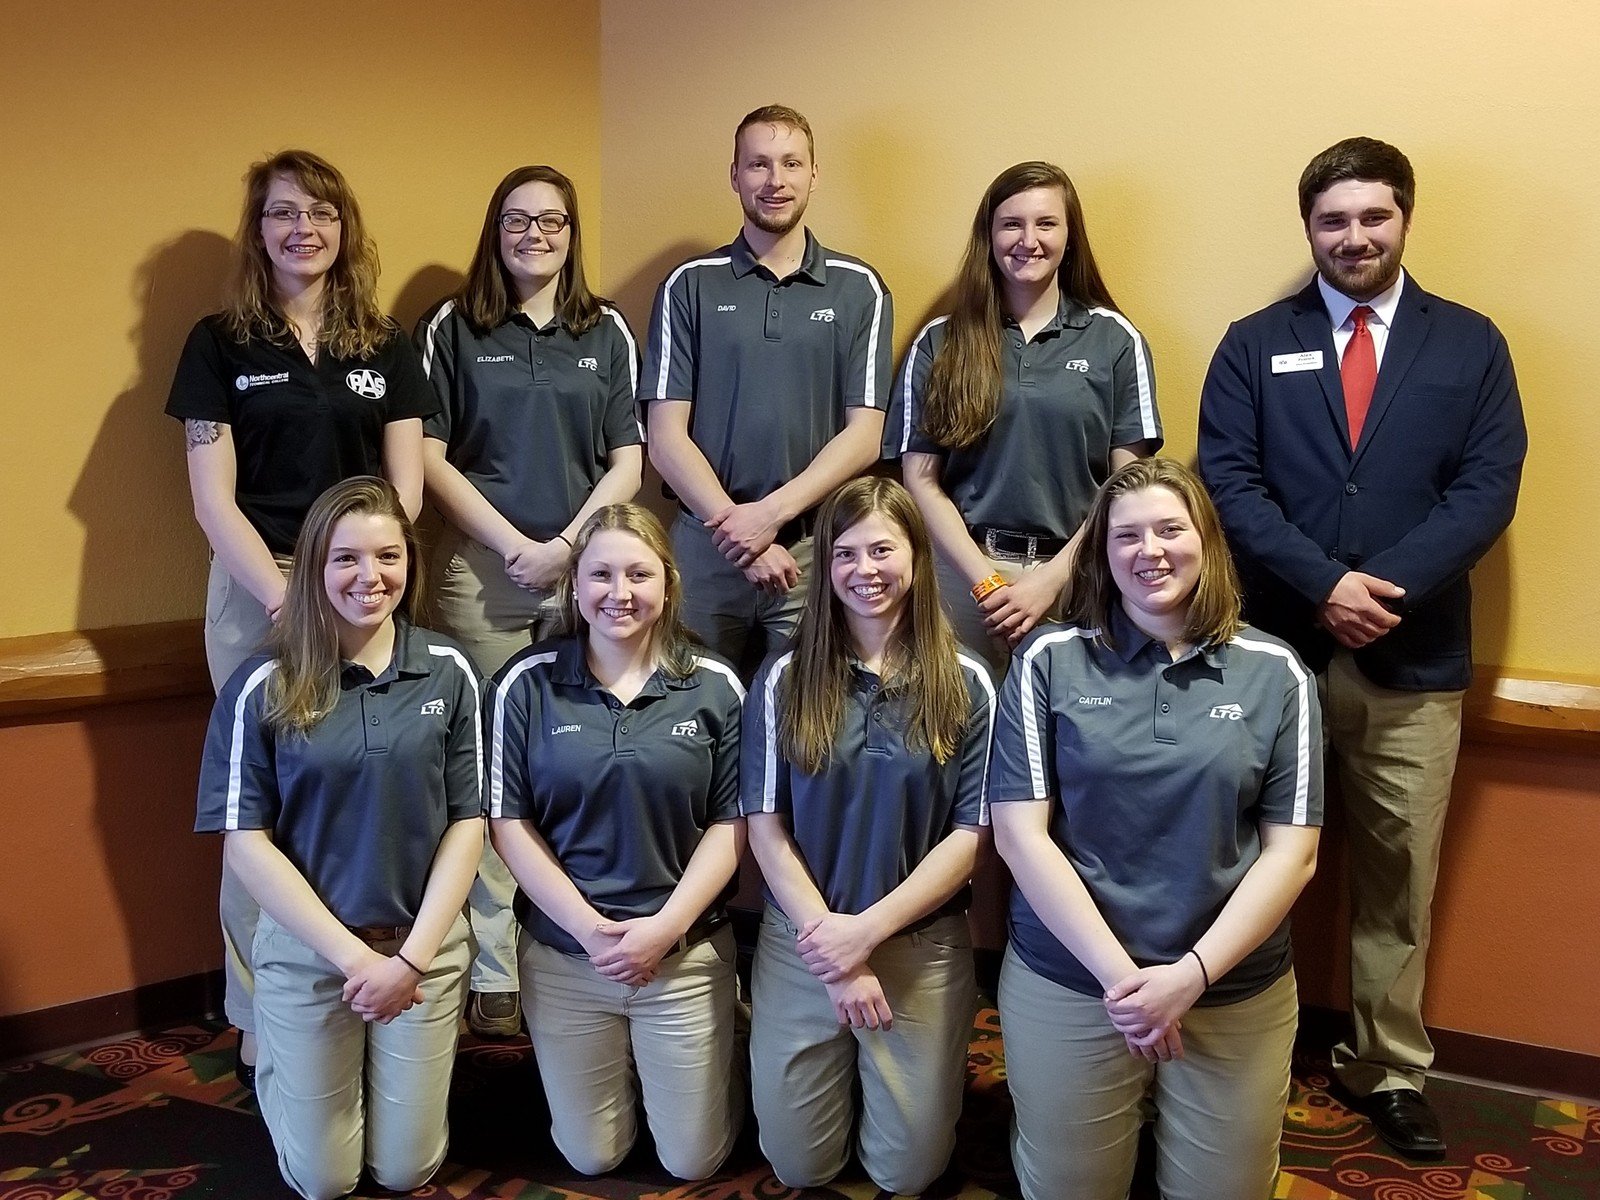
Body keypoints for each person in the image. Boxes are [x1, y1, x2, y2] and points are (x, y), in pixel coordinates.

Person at [1197, 136, 1526, 1159]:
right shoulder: (1254, 343)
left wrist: (1380, 588)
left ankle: (1385, 1068)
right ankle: (1243, 1039)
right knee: (1250, 865)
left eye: (1372, 216)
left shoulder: (1469, 344)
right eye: (1333, 220)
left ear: (1404, 220)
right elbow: (1229, 480)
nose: (1353, 236)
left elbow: (1487, 487)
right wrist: (1320, 583)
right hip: (1270, 660)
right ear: (1308, 229)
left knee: (1397, 879)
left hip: (1412, 658)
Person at [166, 149, 436, 1085]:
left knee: (370, 794)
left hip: (368, 584)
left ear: (344, 229)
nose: (303, 230)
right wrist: (289, 597)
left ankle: (379, 983)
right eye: (284, 214)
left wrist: (364, 577)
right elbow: (212, 499)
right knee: (261, 810)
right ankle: (258, 1005)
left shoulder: (385, 341)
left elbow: (406, 484)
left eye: (321, 213)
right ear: (260, 230)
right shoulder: (219, 343)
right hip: (261, 591)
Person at [988, 458, 1323, 1200]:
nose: (1151, 551)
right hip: (1075, 978)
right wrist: (1125, 986)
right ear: (1102, 556)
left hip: (1231, 985)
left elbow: (1292, 858)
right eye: (1126, 536)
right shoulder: (1049, 661)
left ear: (1206, 538)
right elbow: (1020, 838)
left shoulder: (1277, 672)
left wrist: (1189, 978)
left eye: (1171, 529)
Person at [193, 477, 482, 1200]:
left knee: (404, 1169)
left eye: (387, 556)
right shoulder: (263, 681)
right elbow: (247, 844)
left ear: (410, 563)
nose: (369, 577)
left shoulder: (450, 670)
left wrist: (410, 959)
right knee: (324, 1181)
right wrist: (356, 958)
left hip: (424, 953)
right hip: (310, 955)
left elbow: (469, 824)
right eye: (346, 559)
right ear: (315, 567)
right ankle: (283, 1068)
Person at [416, 164, 643, 1038]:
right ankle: (496, 963)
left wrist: (567, 550)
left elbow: (628, 461)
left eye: (552, 221)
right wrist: (516, 546)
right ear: (494, 227)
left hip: (592, 576)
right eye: (517, 219)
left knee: (582, 758)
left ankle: (578, 941)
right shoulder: (452, 325)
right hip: (484, 573)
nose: (535, 235)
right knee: (492, 768)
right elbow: (430, 457)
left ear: (573, 232)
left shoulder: (608, 330)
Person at [743, 476, 994, 1195]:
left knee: (907, 1174)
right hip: (805, 941)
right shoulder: (785, 676)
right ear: (825, 567)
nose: (865, 571)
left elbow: (972, 836)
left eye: (882, 549)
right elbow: (766, 826)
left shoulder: (968, 681)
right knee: (800, 1165)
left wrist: (869, 934)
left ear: (917, 558)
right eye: (845, 554)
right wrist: (834, 945)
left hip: (920, 943)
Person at [485, 505, 745, 1180]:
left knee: (692, 1162)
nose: (619, 592)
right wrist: (590, 931)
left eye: (638, 573)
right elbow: (508, 824)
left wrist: (665, 928)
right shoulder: (525, 682)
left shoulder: (716, 686)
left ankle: (723, 1045)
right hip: (568, 954)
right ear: (574, 586)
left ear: (669, 582)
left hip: (683, 954)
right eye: (600, 574)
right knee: (592, 1156)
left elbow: (733, 823)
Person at [643, 104, 892, 676]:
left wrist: (769, 519)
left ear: (813, 175)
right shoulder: (690, 285)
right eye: (758, 165)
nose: (774, 181)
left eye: (790, 164)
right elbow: (664, 437)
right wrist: (740, 531)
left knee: (806, 720)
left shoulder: (862, 289)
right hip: (705, 546)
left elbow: (867, 437)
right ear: (734, 176)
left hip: (819, 547)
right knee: (690, 712)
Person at [888, 160, 1162, 676]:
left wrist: (1052, 579)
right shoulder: (941, 340)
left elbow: (1130, 486)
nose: (1028, 240)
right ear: (988, 236)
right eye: (1012, 224)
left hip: (1081, 573)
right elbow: (919, 480)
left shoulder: (1115, 340)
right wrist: (985, 582)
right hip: (962, 577)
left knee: (1073, 737)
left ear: (1069, 235)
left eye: (1046, 223)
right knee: (962, 733)